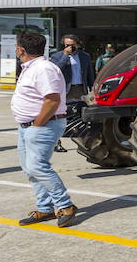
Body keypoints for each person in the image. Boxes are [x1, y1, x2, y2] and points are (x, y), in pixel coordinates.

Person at [11, 31, 78, 227]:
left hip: (43, 124)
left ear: (21, 49)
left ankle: (65, 206)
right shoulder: (30, 68)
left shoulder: (43, 69)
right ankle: (45, 208)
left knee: (37, 167)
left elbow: (52, 99)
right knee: (29, 169)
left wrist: (37, 124)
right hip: (28, 126)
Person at [50, 33, 95, 153]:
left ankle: (84, 142)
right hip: (65, 90)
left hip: (80, 89)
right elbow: (56, 71)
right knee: (60, 116)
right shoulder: (57, 56)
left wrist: (93, 87)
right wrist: (65, 55)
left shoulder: (85, 56)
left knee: (82, 116)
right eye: (67, 45)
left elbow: (89, 73)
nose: (70, 47)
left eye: (72, 45)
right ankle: (56, 143)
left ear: (78, 44)